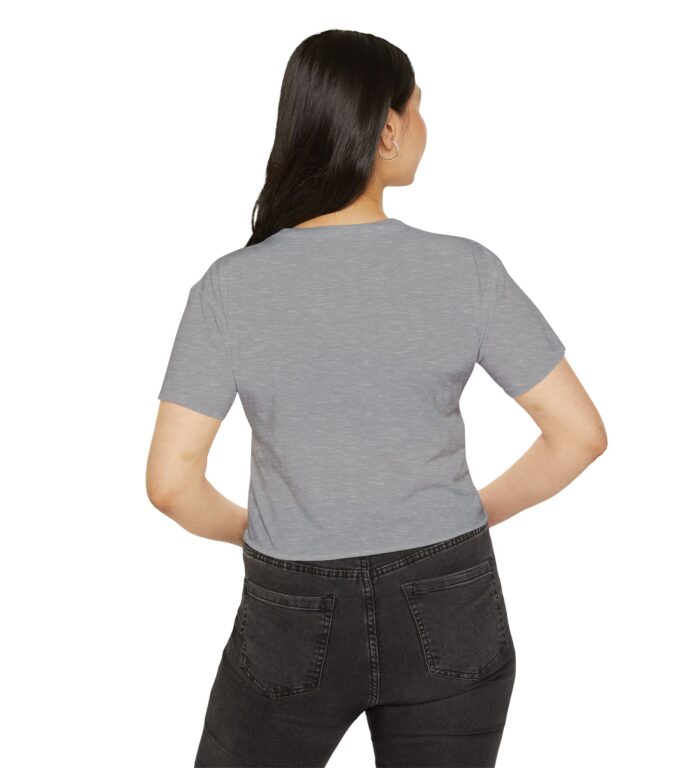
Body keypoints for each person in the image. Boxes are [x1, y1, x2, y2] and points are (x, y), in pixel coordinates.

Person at [146, 28, 607, 768]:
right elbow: (579, 435)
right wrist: (468, 516)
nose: (424, 126)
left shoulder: (229, 287)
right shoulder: (467, 271)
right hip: (450, 596)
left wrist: (256, 530)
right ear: (388, 128)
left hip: (292, 605)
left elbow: (171, 484)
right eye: (419, 108)